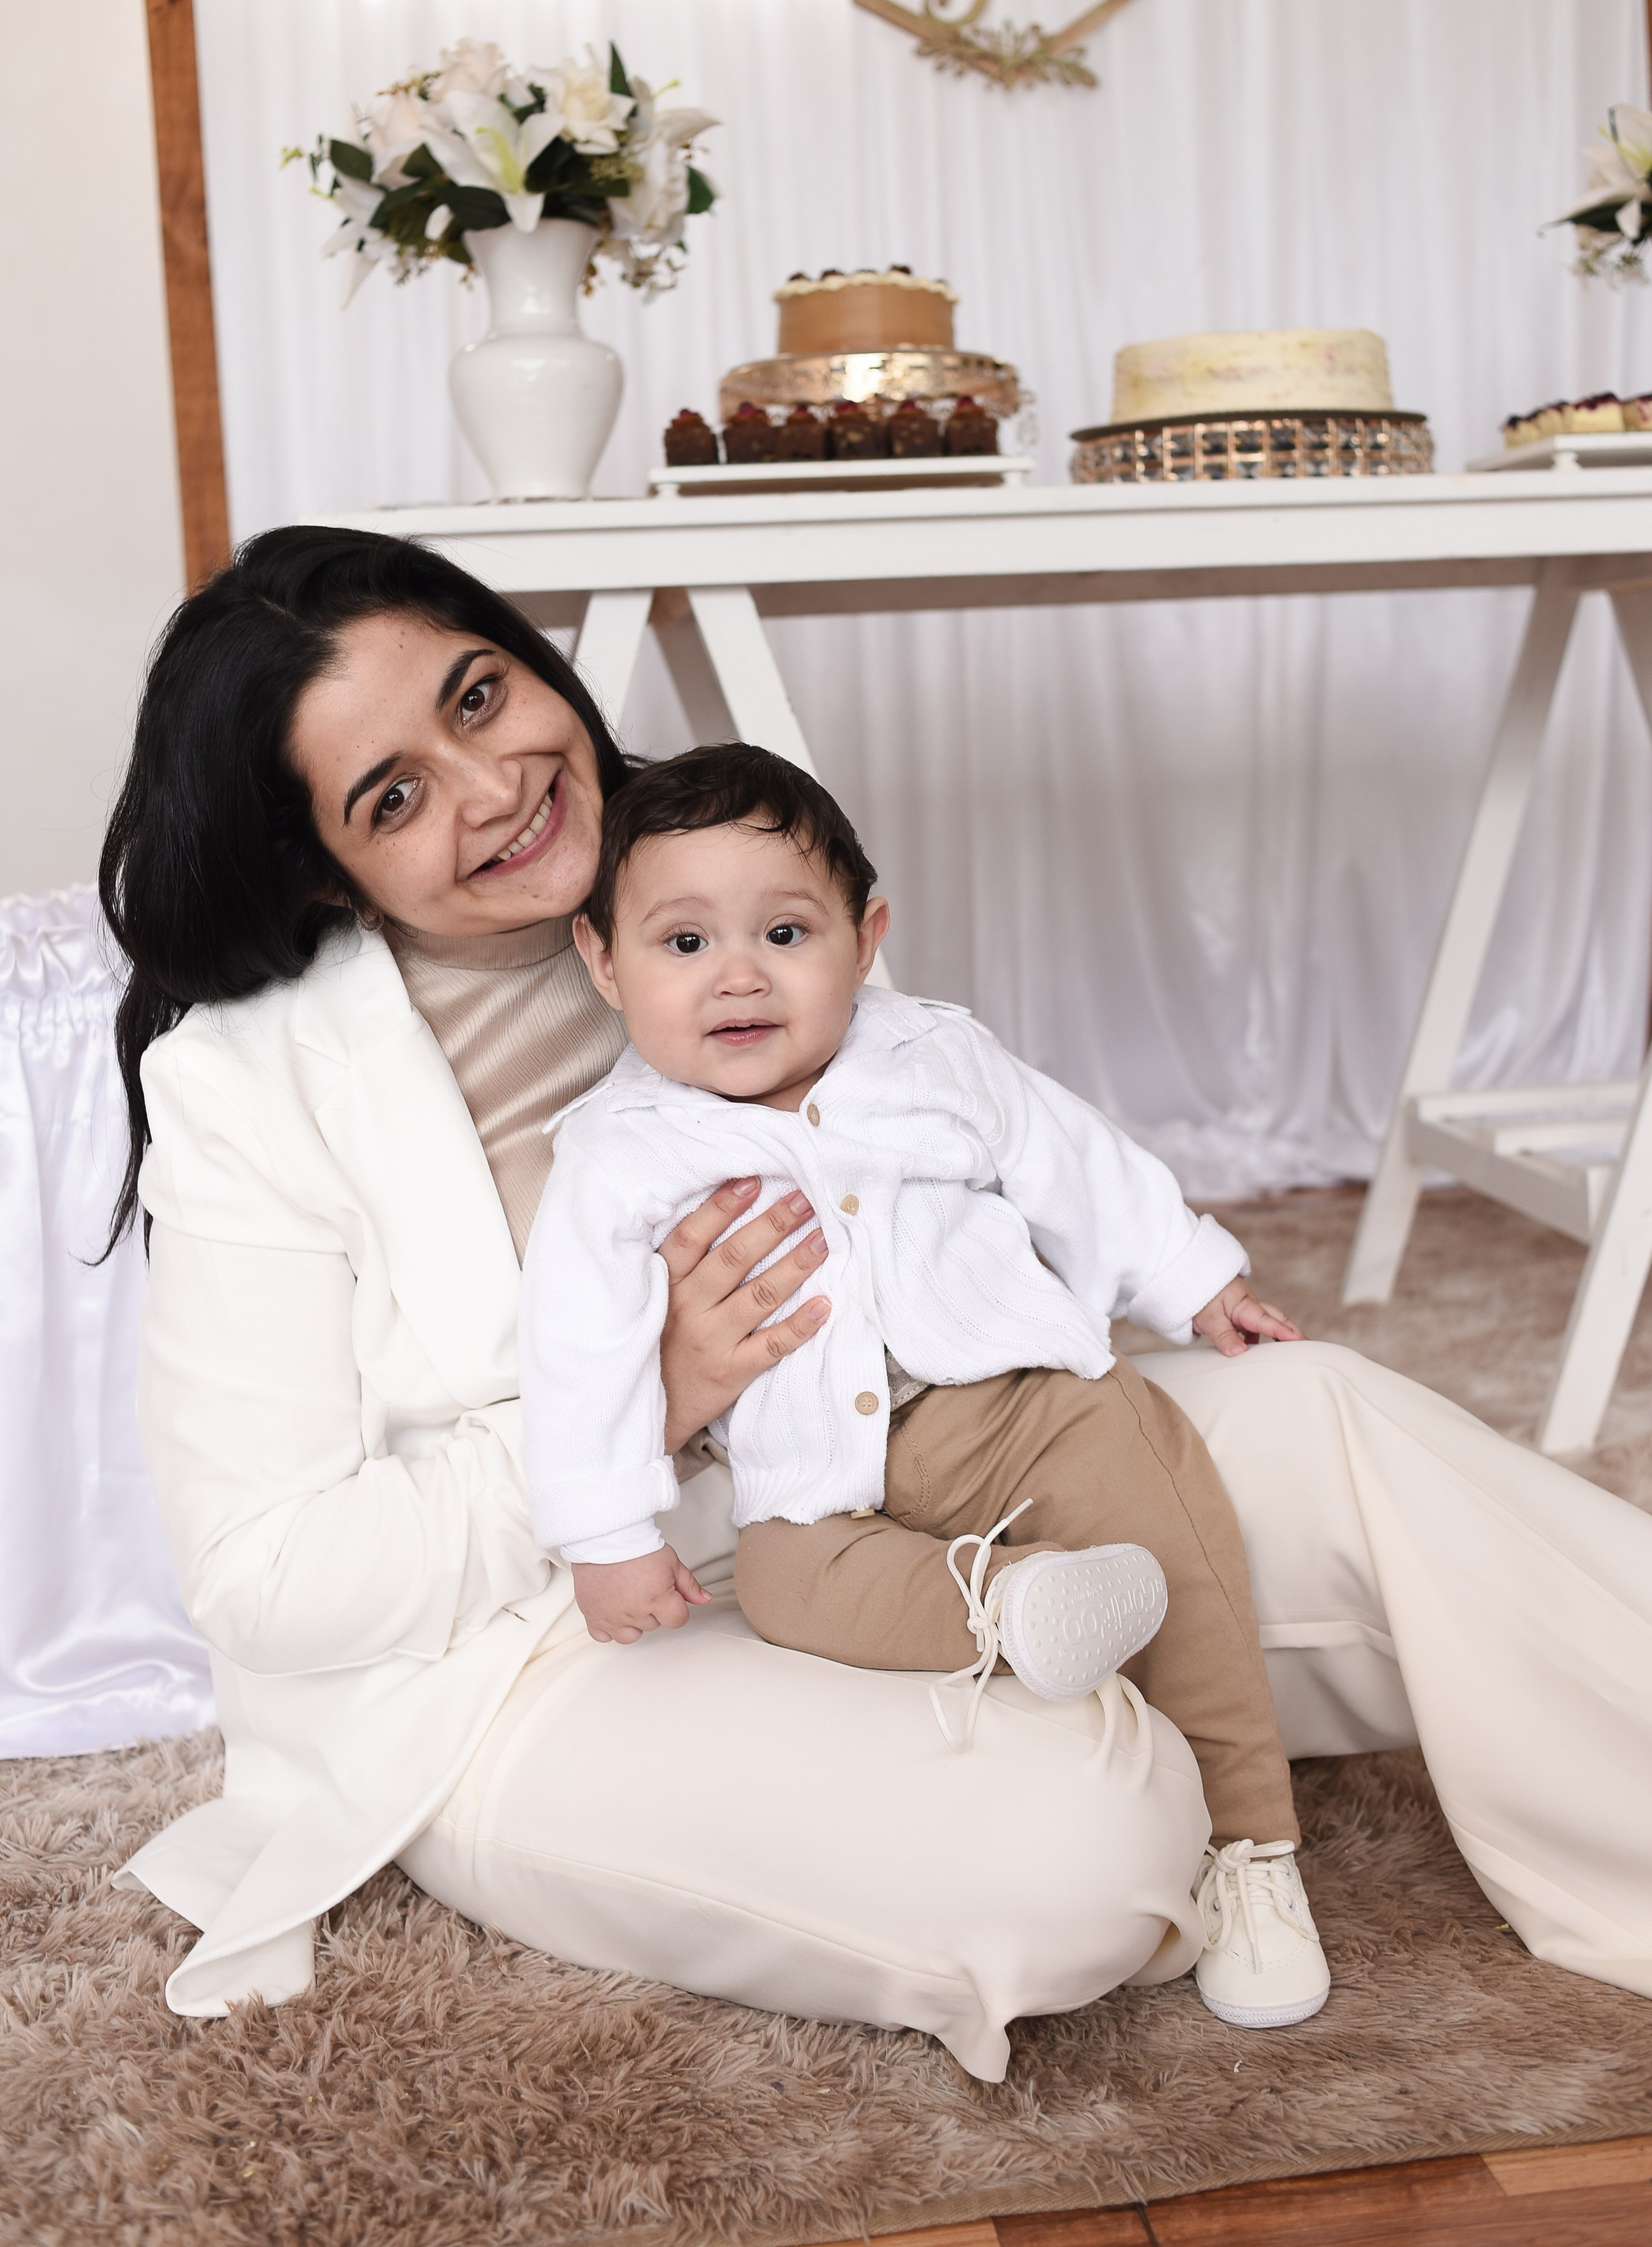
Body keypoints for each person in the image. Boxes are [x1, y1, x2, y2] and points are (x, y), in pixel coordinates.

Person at [101, 526, 1652, 2086]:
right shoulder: (244, 1087)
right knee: (1083, 1839)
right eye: (394, 796)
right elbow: (266, 1576)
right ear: (323, 864)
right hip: (546, 1647)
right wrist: (655, 1401)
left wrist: (1159, 1286)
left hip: (918, 1454)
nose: (492, 786)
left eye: (479, 696)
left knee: (1327, 1420)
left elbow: (975, 1137)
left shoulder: (720, 861)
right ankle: (1155, 1739)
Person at [520, 744, 1329, 2031]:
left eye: (785, 932)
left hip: (1017, 1406)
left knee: (1173, 1538)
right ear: (604, 961)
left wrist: (1193, 1280)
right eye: (683, 943)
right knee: (786, 1589)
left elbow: (1074, 1161)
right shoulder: (616, 1156)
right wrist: (608, 1535)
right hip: (814, 1475)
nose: (738, 974)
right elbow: (578, 1348)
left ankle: (1248, 1847)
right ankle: (1019, 1604)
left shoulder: (931, 1056)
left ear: (865, 937)